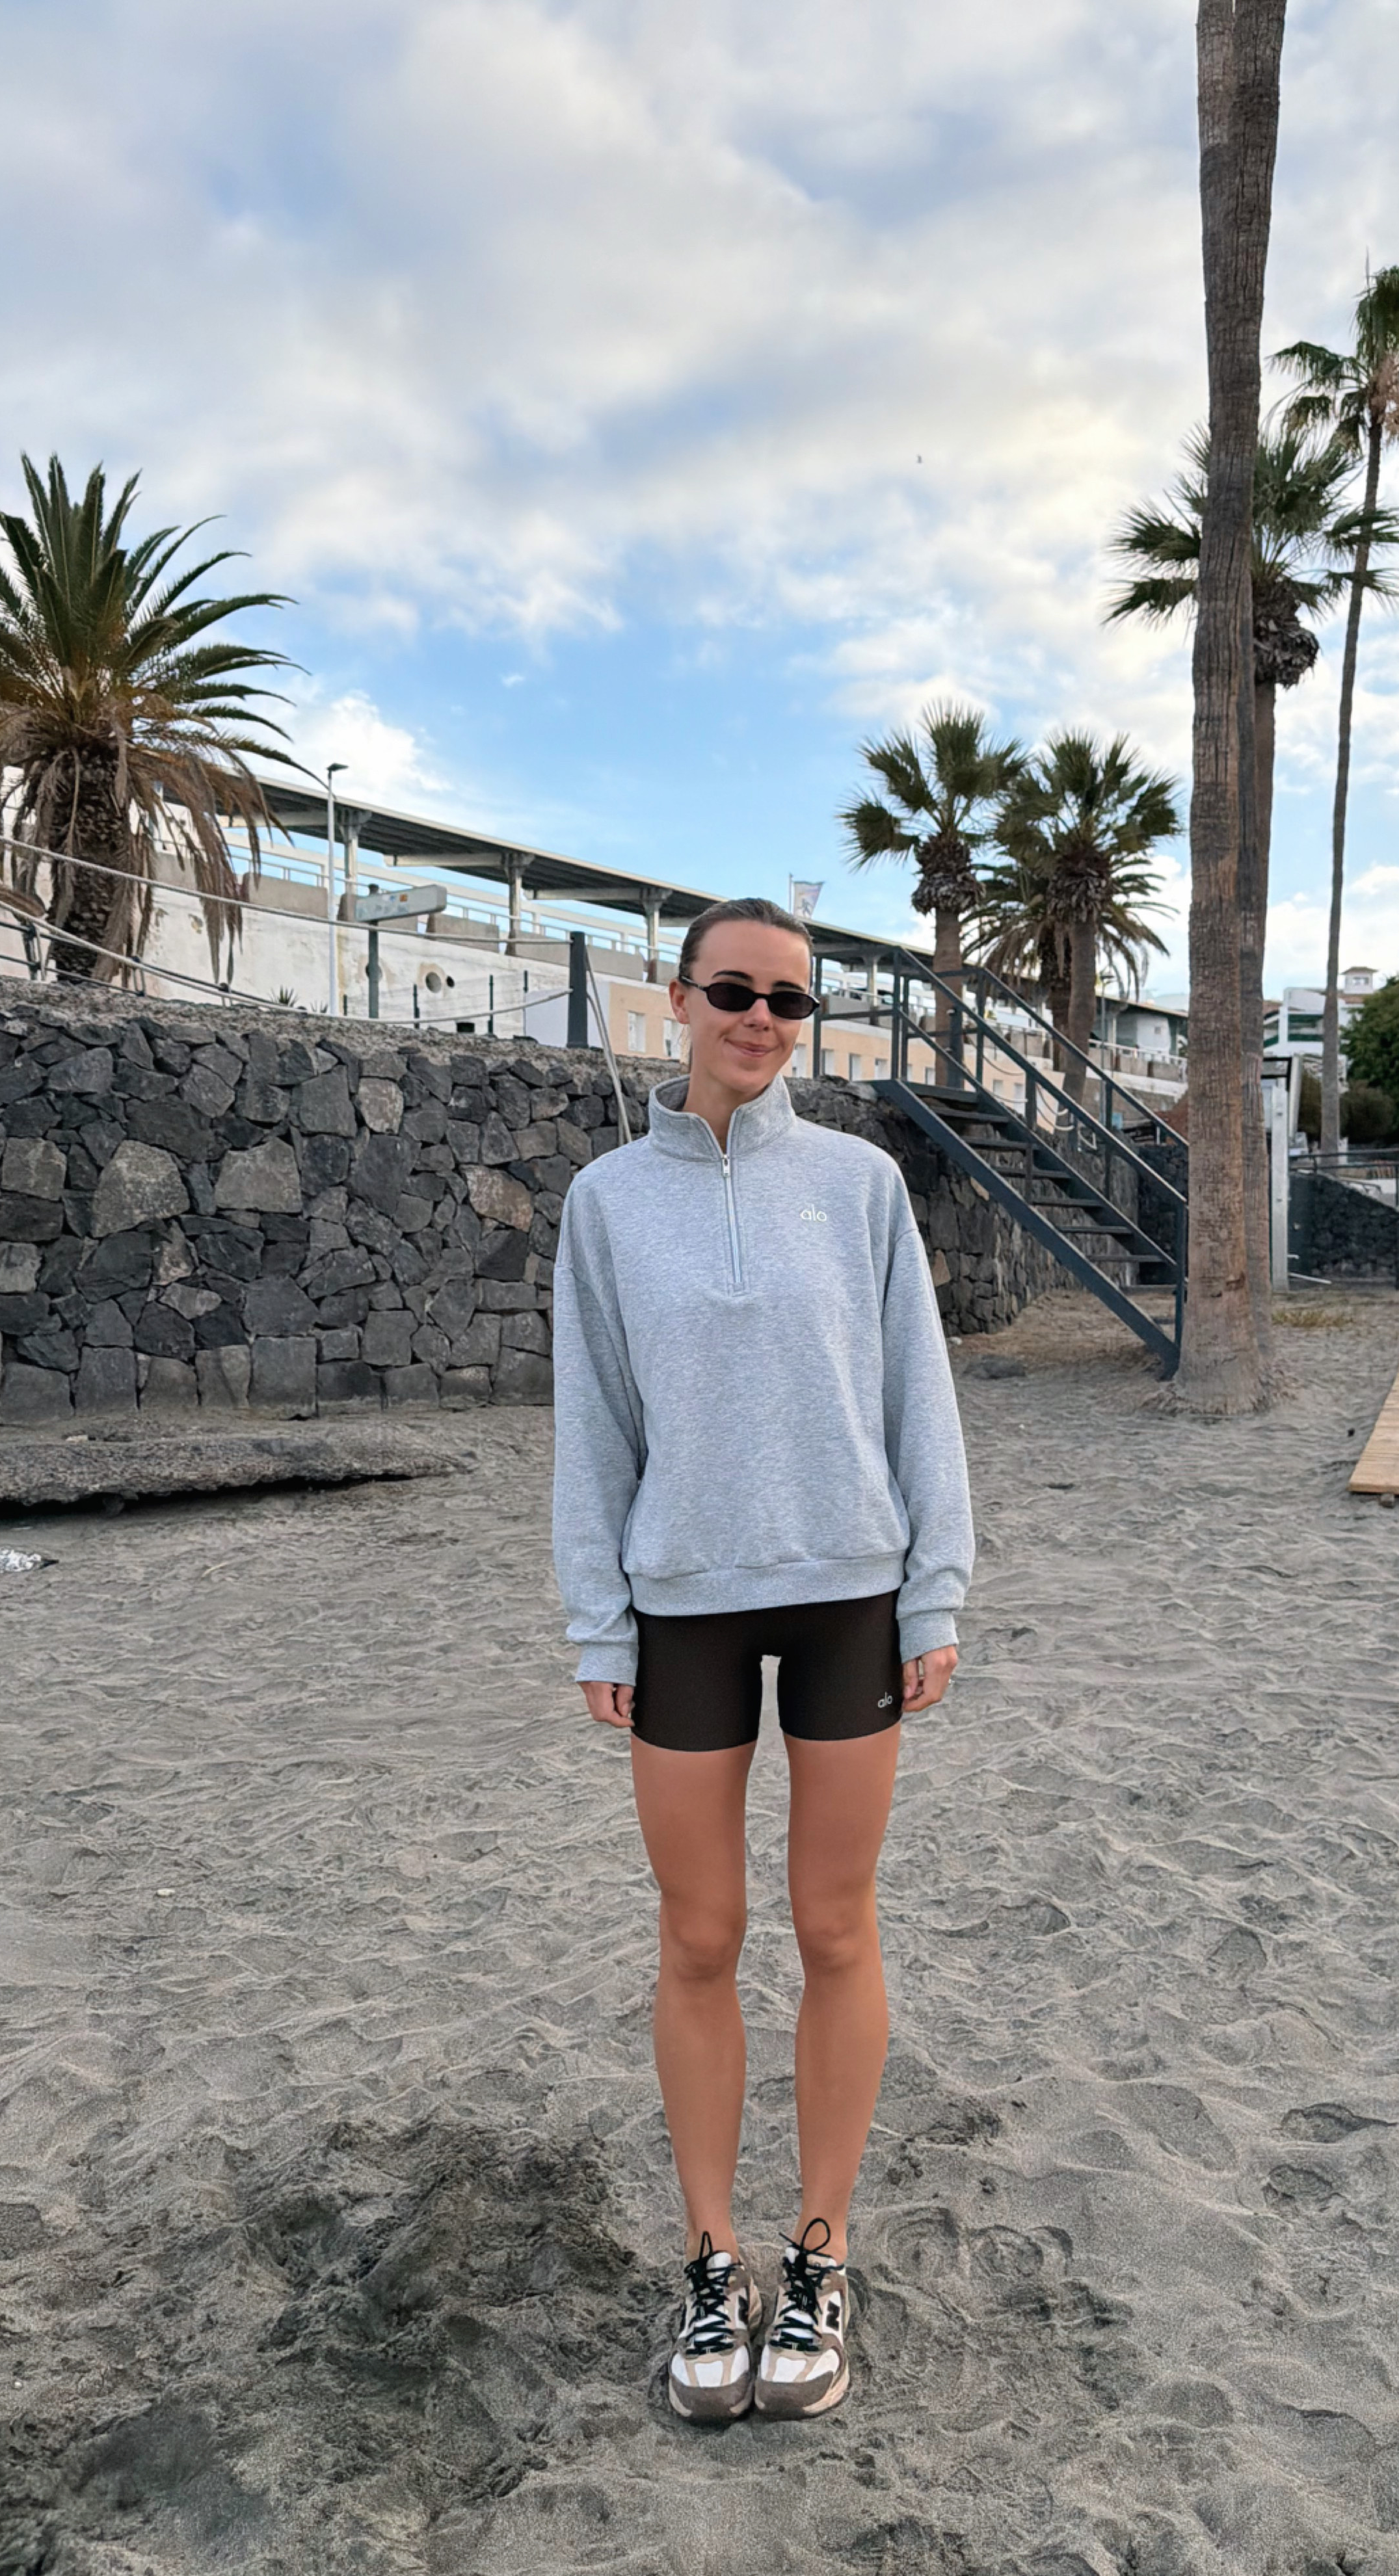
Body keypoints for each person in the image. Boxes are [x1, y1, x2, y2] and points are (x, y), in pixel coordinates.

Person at [552, 897, 974, 2424]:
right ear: (679, 1001)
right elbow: (592, 1422)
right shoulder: (607, 1202)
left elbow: (918, 1393)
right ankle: (711, 2259)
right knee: (701, 1937)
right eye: (734, 991)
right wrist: (600, 1615)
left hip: (849, 1590)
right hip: (684, 1607)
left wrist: (935, 1593)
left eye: (789, 1000)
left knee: (838, 1925)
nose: (760, 1019)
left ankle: (819, 2251)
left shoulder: (861, 1187)